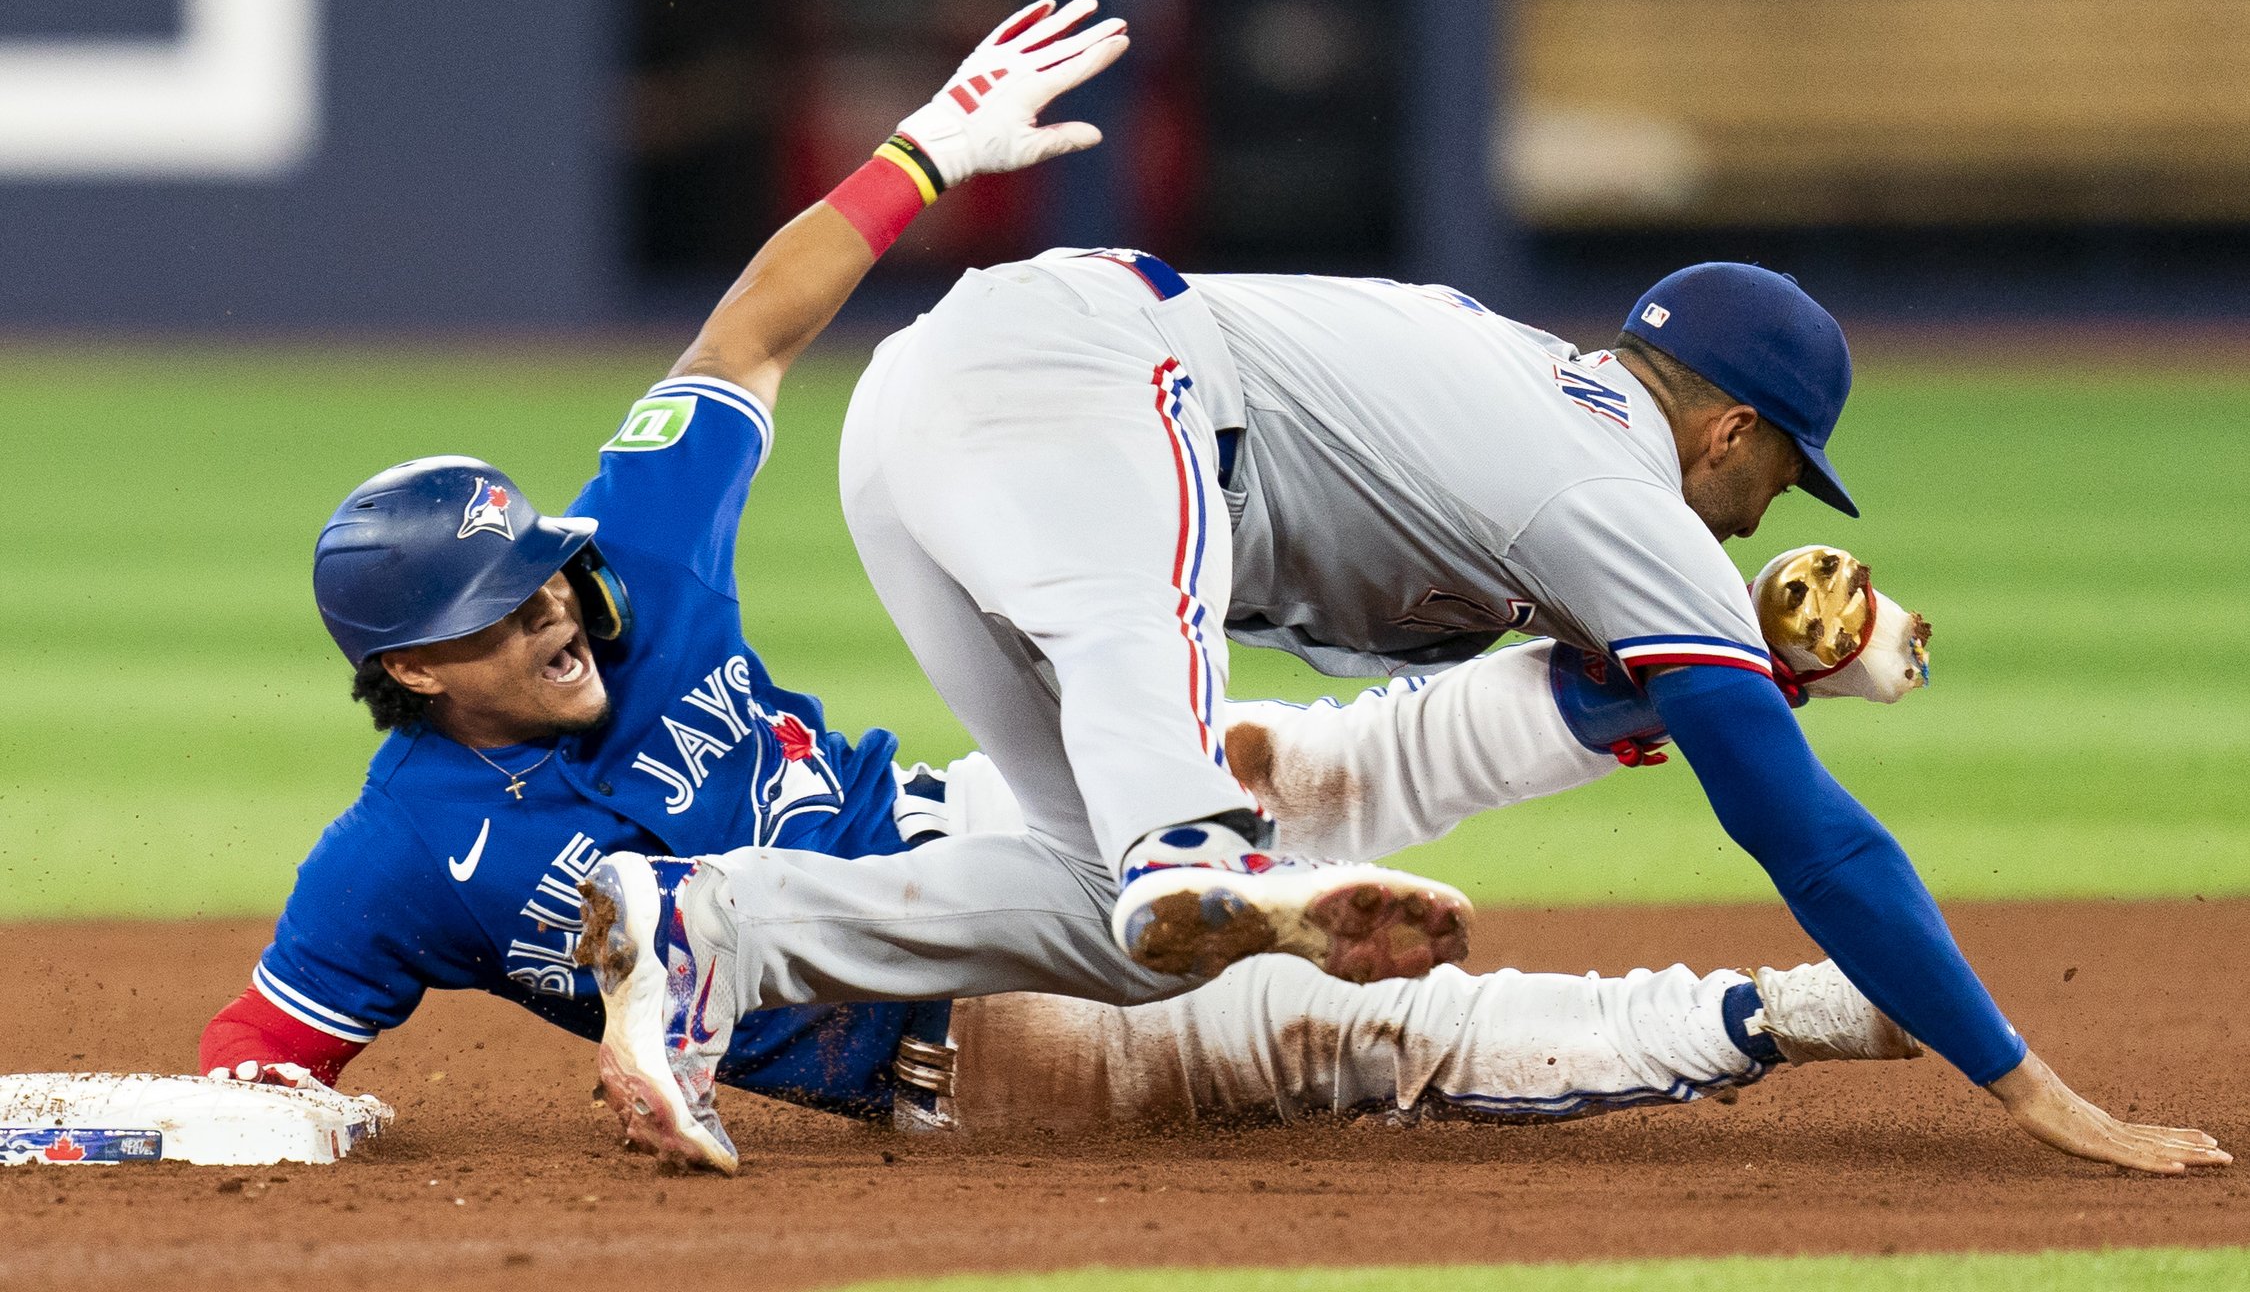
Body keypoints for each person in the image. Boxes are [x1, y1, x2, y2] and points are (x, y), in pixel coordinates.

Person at [197, 0, 1920, 1173]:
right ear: (410, 671)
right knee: (1372, 1029)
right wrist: (195, 1124)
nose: (557, 611)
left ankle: (1699, 666)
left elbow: (749, 334)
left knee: (1281, 775)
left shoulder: (631, 553)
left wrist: (927, 152)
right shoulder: (391, 860)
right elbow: (251, 1069)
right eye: (499, 615)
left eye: (544, 577)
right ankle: (1797, 1010)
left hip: (966, 822)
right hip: (967, 1040)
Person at [838, 243, 2230, 1176]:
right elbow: (1811, 838)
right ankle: (1167, 862)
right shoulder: (1622, 501)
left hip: (928, 393)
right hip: (1097, 391)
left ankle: (714, 927)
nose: (1761, 517)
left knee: (1089, 878)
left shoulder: (1522, 375)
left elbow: (1596, 673)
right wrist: (2029, 1088)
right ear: (1730, 432)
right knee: (1151, 811)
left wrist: (1747, 661)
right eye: (1783, 479)